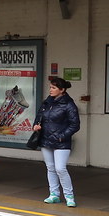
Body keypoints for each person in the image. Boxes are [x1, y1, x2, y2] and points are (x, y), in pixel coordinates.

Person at [33, 77, 81, 207]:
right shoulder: (46, 103)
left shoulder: (69, 105)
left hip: (61, 142)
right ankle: (54, 194)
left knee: (60, 168)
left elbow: (75, 125)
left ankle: (69, 196)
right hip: (45, 139)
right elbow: (39, 117)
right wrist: (36, 125)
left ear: (62, 90)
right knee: (50, 168)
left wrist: (61, 136)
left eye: (54, 88)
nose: (50, 90)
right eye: (50, 87)